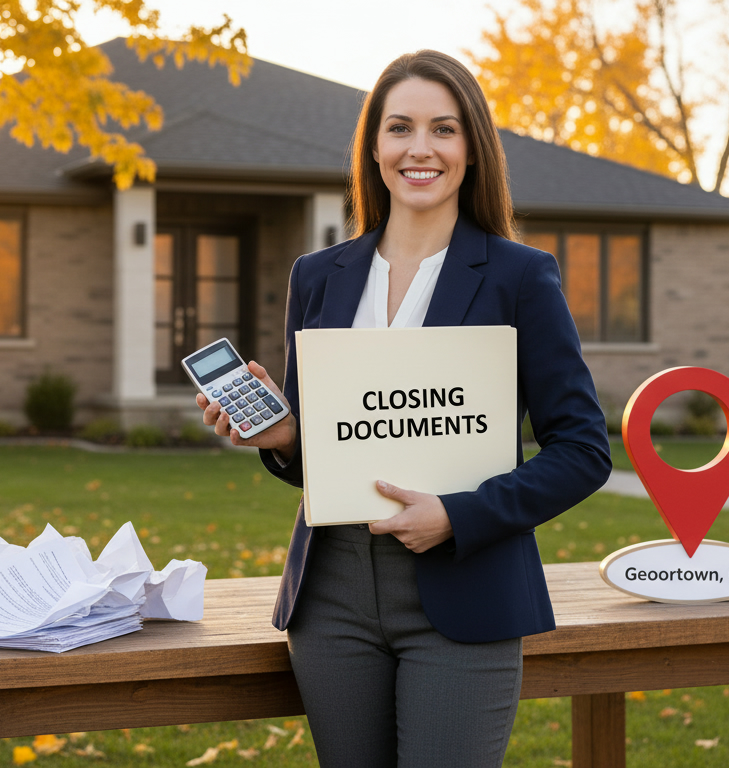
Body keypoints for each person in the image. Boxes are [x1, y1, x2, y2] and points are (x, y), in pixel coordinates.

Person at [195, 50, 611, 768]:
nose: (420, 148)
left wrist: (460, 514)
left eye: (443, 129)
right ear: (375, 147)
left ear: (472, 149)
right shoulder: (319, 277)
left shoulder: (519, 276)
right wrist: (289, 437)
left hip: (467, 590)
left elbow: (583, 450)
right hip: (332, 598)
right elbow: (329, 462)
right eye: (400, 128)